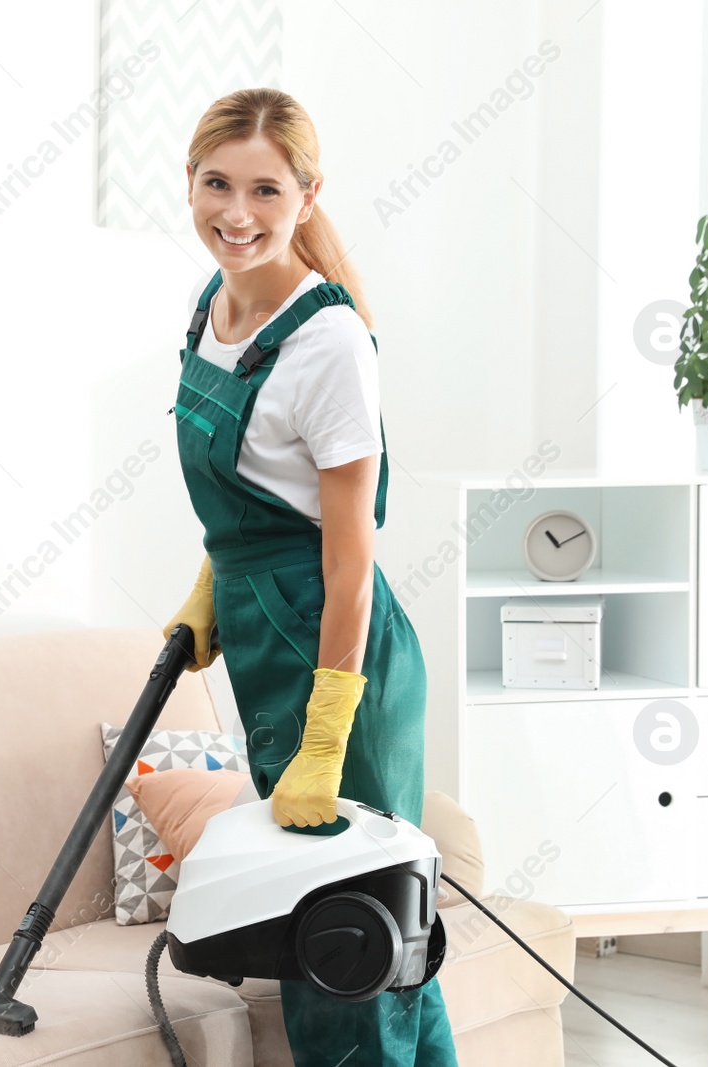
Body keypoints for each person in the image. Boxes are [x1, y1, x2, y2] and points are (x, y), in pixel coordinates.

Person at [160, 88, 458, 1067]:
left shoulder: (327, 341)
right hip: (261, 630)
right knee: (355, 930)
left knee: (347, 941)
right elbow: (250, 493)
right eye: (215, 183)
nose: (234, 213)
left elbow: (348, 553)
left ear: (306, 193)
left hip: (337, 648)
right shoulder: (216, 301)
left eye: (262, 190)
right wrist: (215, 579)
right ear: (191, 181)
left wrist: (329, 730)